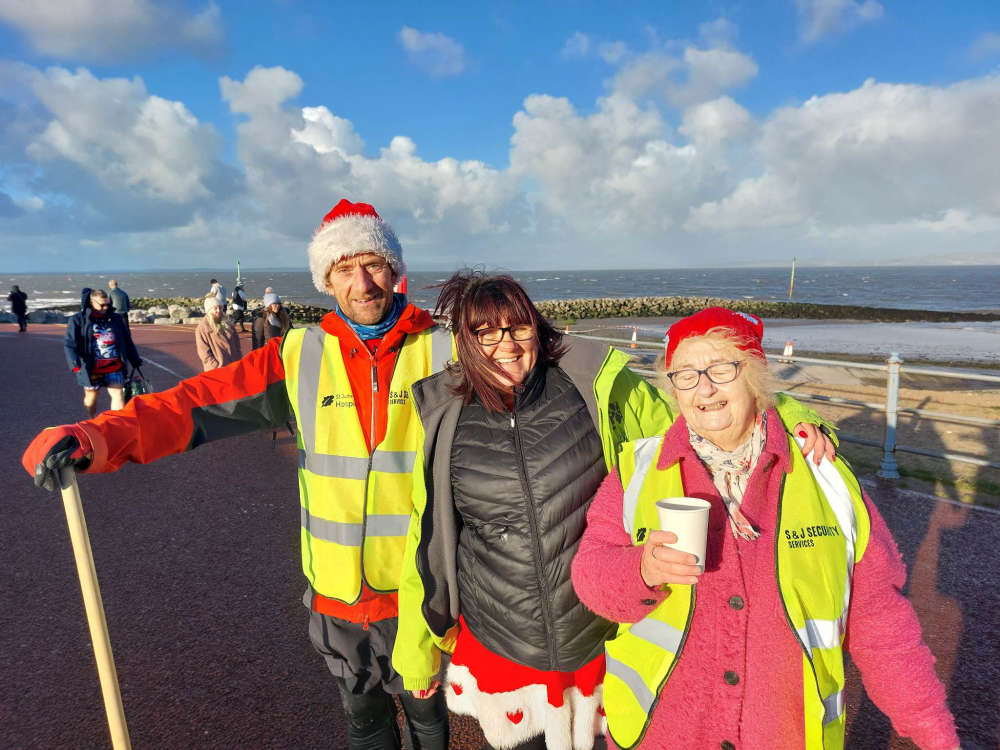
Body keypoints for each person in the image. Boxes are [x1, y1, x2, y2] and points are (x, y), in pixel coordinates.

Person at [23, 199, 451, 750]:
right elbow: (190, 404)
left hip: (423, 593)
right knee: (364, 720)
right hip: (337, 596)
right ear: (326, 279)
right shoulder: (298, 357)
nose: (362, 282)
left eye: (373, 264)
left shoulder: (444, 352)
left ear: (396, 270)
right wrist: (96, 437)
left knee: (430, 721)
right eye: (344, 269)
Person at [392, 279, 836, 750]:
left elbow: (699, 409)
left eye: (517, 328)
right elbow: (428, 539)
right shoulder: (446, 415)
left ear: (536, 330)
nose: (505, 344)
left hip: (597, 634)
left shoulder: (590, 384)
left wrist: (794, 418)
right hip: (502, 644)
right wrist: (415, 652)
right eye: (487, 332)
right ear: (466, 340)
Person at [570, 307, 960, 750]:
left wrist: (933, 732)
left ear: (755, 375)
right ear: (672, 388)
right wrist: (642, 570)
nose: (705, 387)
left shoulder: (824, 478)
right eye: (686, 374)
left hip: (785, 733)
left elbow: (882, 624)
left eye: (721, 368)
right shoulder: (637, 470)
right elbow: (590, 575)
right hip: (663, 732)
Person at [64, 288, 142, 418]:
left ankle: (116, 424)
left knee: (118, 394)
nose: (105, 307)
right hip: (91, 368)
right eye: (102, 304)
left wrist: (135, 360)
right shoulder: (78, 320)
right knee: (91, 398)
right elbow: (70, 344)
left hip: (114, 365)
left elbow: (127, 341)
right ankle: (92, 419)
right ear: (91, 302)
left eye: (107, 304)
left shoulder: (115, 319)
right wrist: (75, 365)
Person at [196, 296, 242, 371]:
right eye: (215, 308)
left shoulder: (228, 324)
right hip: (217, 371)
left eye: (220, 308)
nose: (218, 310)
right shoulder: (202, 328)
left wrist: (238, 358)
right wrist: (216, 366)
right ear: (209, 310)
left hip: (233, 366)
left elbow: (237, 343)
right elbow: (204, 353)